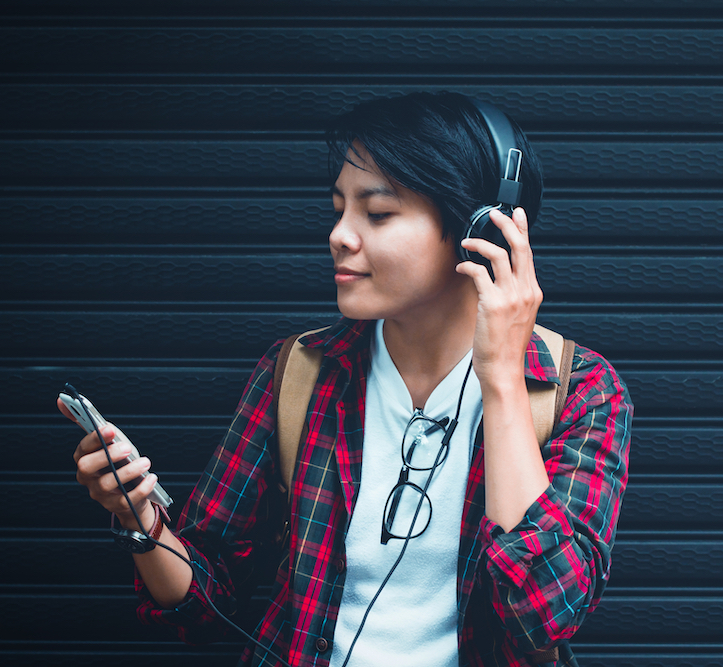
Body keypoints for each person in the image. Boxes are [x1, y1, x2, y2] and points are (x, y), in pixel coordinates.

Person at [63, 92, 633, 667]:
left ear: (480, 230)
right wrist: (141, 522)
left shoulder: (577, 391)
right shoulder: (298, 372)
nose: (340, 234)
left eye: (377, 213)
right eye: (339, 208)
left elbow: (544, 615)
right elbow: (205, 601)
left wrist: (504, 380)